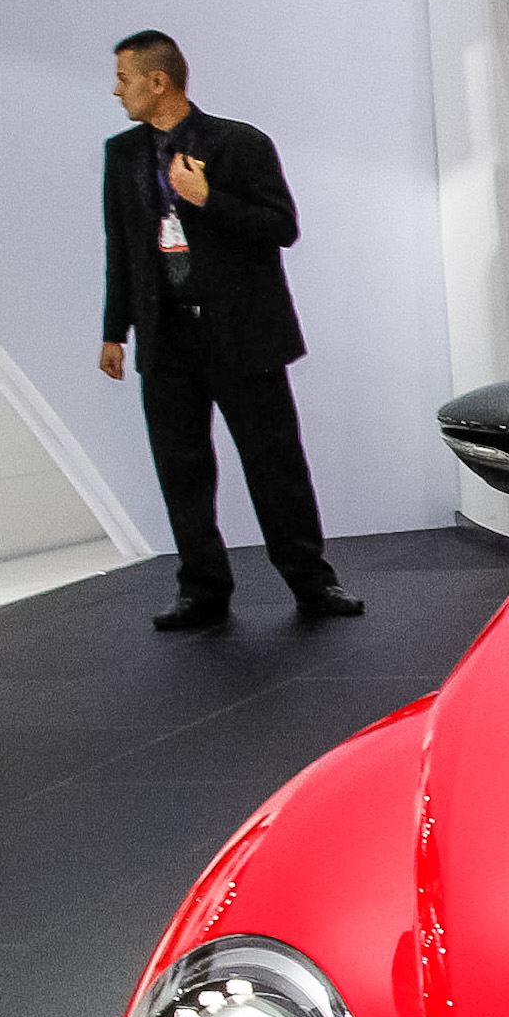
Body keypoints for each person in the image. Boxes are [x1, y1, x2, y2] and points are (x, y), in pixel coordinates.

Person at [99, 32, 360, 631]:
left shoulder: (239, 144)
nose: (117, 90)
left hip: (242, 333)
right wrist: (115, 331)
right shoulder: (122, 156)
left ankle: (312, 582)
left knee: (274, 463)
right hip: (166, 339)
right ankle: (202, 590)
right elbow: (121, 249)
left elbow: (281, 226)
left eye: (124, 77)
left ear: (158, 81)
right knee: (181, 468)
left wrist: (207, 197)